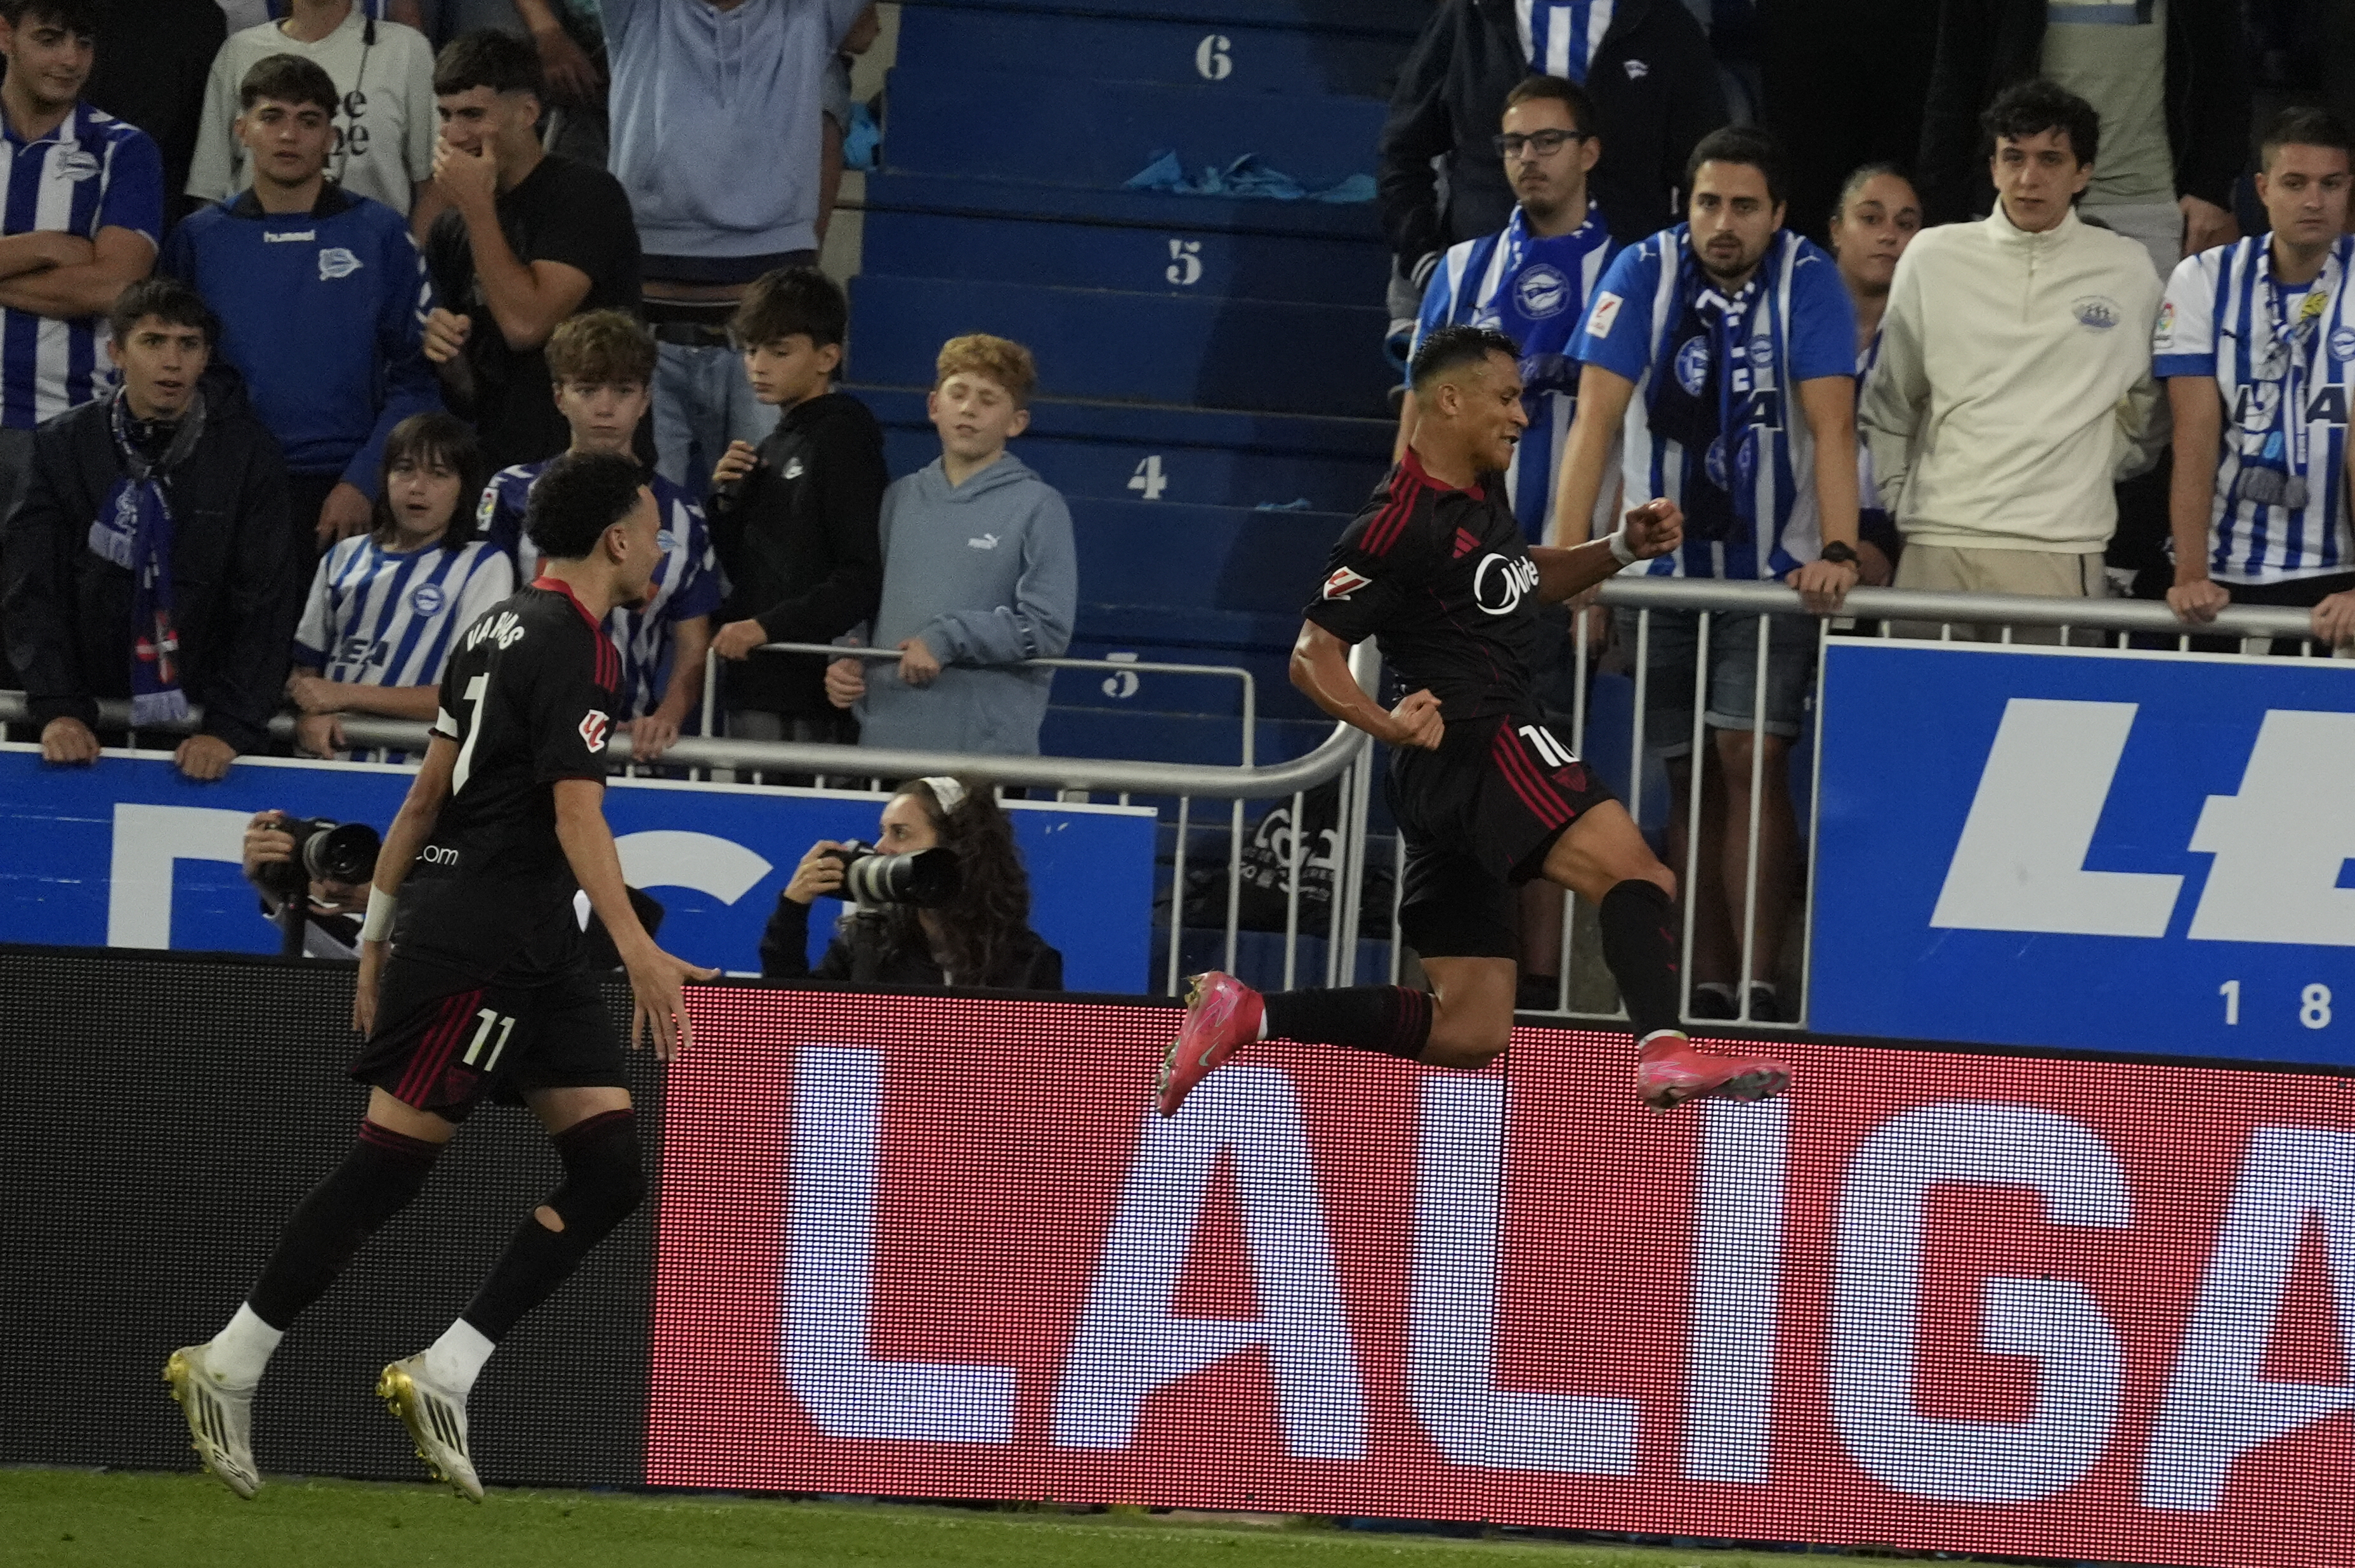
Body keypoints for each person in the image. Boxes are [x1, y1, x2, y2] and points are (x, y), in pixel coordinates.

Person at [162, 449, 718, 1503]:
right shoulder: (578, 646)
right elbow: (575, 810)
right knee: (390, 1164)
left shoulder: (493, 624)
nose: (659, 543)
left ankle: (446, 1366)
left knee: (611, 1173)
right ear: (613, 539)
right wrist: (638, 947)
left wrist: (374, 935)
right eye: (650, 526)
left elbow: (424, 796)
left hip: (525, 942)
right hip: (486, 938)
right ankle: (229, 1359)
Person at [1157, 324, 1788, 1120]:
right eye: (1507, 397)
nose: (1522, 415)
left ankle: (1251, 1013)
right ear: (1449, 400)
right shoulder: (1393, 525)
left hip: (1441, 779)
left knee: (1472, 1027)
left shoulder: (1476, 491)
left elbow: (1521, 578)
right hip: (1481, 736)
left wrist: (1619, 547)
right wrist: (1383, 721)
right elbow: (1312, 654)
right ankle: (1662, 1050)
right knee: (1636, 873)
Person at [1550, 124, 1861, 1023]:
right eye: (1709, 203)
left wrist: (1838, 550)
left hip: (1770, 575)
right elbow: (1594, 429)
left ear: (1780, 214)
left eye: (1745, 206)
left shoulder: (1808, 278)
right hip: (1664, 572)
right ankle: (1703, 983)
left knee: (1751, 756)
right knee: (1687, 774)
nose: (1724, 223)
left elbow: (1833, 427)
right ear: (1687, 206)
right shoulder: (1642, 270)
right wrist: (1572, 568)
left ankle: (1761, 985)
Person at [1862, 80, 2167, 624]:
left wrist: (2083, 472)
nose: (2029, 178)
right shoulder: (1932, 256)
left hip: (2059, 547)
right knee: (1925, 712)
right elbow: (1891, 402)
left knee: (2051, 713)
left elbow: (2148, 415)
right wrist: (1905, 502)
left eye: (2051, 159)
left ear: (2083, 173)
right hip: (1936, 544)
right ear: (1993, 166)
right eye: (2014, 157)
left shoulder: (2128, 269)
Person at [1, 278, 297, 782]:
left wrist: (229, 726)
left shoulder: (250, 457)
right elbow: (32, 590)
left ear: (206, 358)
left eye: (189, 344)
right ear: (117, 352)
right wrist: (57, 706)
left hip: (199, 725)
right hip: (80, 722)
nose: (173, 361)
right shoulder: (60, 447)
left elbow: (265, 604)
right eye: (153, 342)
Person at [163, 54, 441, 557]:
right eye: (273, 118)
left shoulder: (380, 234)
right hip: (228, 484)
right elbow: (173, 369)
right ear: (242, 130)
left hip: (347, 489)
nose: (289, 136)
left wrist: (365, 480)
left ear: (331, 139)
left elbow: (417, 379)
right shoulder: (197, 241)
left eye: (308, 121)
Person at [600, 0, 872, 490]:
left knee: (769, 531)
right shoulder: (641, 10)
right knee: (640, 529)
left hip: (771, 333)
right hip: (648, 334)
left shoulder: (810, 15)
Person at [478, 311, 718, 762]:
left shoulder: (684, 513)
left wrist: (667, 715)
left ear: (646, 400)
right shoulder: (509, 492)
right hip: (521, 739)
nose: (605, 408)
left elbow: (693, 639)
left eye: (623, 391)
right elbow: (479, 616)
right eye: (588, 391)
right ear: (559, 397)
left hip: (631, 746)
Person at [822, 335, 1075, 757]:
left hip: (987, 758)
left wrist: (948, 636)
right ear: (934, 406)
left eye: (988, 399)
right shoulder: (898, 498)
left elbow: (1048, 629)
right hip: (886, 745)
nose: (969, 409)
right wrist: (844, 657)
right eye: (958, 394)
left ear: (1017, 422)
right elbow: (861, 599)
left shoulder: (1040, 507)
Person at [2160, 107, 2355, 652]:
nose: (2314, 201)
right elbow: (2194, 436)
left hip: (2336, 569)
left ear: (2349, 189)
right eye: (2295, 184)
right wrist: (2192, 574)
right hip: (2222, 571)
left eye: (2330, 184)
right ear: (2264, 189)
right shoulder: (2201, 278)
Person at [1377, 0, 1727, 291]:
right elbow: (1403, 152)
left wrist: (1674, 278)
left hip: (1624, 300)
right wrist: (1424, 262)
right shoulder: (1469, 17)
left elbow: (1709, 171)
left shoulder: (1664, 23)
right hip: (1481, 297)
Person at [421, 29, 639, 474]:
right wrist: (450, 357)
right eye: (446, 115)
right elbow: (471, 395)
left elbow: (526, 325)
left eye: (473, 115)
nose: (455, 135)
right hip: (499, 465)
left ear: (527, 113)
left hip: (592, 464)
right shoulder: (449, 228)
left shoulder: (586, 195)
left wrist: (478, 207)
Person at [1915, 0, 2248, 276]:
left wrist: (2211, 187)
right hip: (2020, 201)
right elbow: (1953, 87)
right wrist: (1942, 215)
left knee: (2147, 354)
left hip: (2144, 203)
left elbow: (2227, 69)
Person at [707, 266, 884, 746]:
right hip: (757, 682)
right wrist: (726, 502)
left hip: (809, 696)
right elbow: (752, 569)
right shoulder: (772, 443)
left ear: (828, 356)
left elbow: (859, 576)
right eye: (751, 350)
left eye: (779, 351)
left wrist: (766, 627)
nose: (759, 366)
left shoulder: (843, 436)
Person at [0, 0, 164, 517]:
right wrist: (44, 248)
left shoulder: (124, 149)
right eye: (50, 40)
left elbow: (113, 289)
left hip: (67, 422)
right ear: (5, 36)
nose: (71, 60)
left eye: (84, 43)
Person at [287, 411, 512, 757]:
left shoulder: (483, 565)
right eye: (405, 469)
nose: (417, 488)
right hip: (332, 761)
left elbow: (469, 695)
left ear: (464, 489)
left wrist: (342, 695)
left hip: (417, 768)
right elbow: (306, 672)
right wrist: (310, 710)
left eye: (438, 475)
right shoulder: (343, 556)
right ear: (385, 477)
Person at [760, 776, 1064, 990]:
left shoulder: (1029, 961)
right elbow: (796, 1016)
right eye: (882, 831)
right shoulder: (870, 941)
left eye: (900, 833)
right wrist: (792, 908)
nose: (880, 848)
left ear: (956, 847)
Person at [187, 0, 441, 228]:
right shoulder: (239, 50)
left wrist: (408, 256)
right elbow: (210, 186)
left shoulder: (406, 50)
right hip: (255, 251)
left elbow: (435, 183)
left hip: (369, 256)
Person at [1824, 162, 1922, 587]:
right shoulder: (1789, 330)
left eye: (1906, 224)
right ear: (1836, 231)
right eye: (1870, 218)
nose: (1889, 235)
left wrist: (1890, 547)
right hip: (1806, 532)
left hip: (1903, 538)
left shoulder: (1935, 337)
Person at [84, 0, 226, 230]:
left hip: (161, 203)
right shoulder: (57, 11)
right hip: (63, 182)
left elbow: (203, 127)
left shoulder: (201, 17)